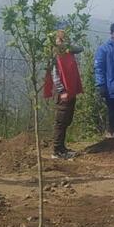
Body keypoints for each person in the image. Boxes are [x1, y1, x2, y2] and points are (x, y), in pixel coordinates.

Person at [44, 27, 84, 160]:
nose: (62, 40)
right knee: (61, 121)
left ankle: (62, 148)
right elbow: (55, 75)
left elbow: (80, 48)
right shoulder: (55, 53)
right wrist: (62, 91)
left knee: (67, 120)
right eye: (60, 37)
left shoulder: (67, 50)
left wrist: (69, 45)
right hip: (63, 92)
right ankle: (57, 150)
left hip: (70, 90)